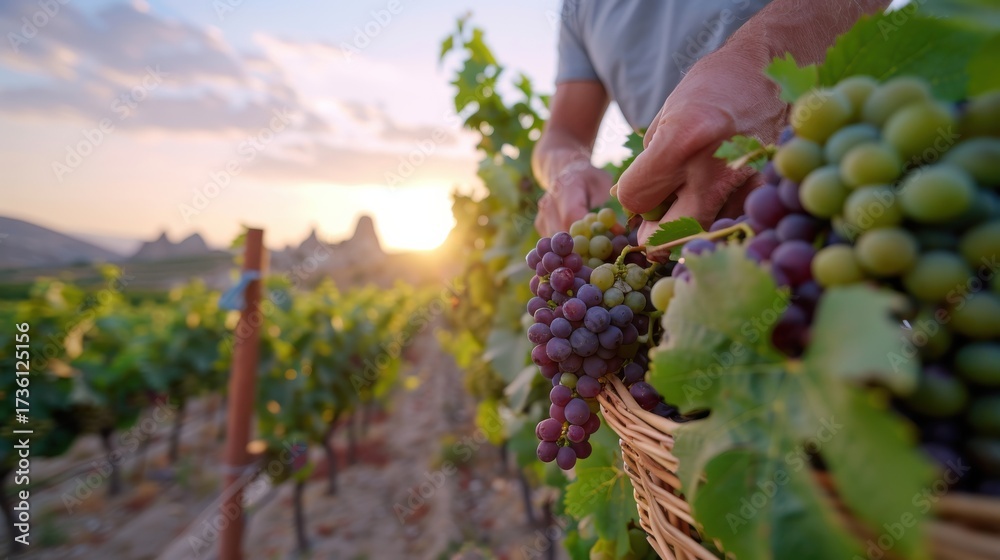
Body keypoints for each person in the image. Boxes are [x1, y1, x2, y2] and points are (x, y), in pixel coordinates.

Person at [533, 0, 891, 245]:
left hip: (857, 174)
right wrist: (567, 168)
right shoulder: (578, 8)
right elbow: (562, 135)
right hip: (700, 242)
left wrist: (765, 62)